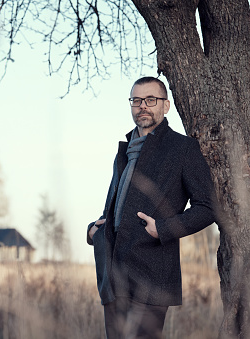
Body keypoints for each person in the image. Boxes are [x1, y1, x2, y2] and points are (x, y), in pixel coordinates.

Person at [87, 76, 216, 338]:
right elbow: (114, 206)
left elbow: (208, 207)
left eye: (150, 100)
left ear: (165, 106)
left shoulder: (182, 148)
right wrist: (93, 230)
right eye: (136, 100)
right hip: (113, 276)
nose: (142, 106)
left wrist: (163, 229)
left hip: (152, 276)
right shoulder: (125, 150)